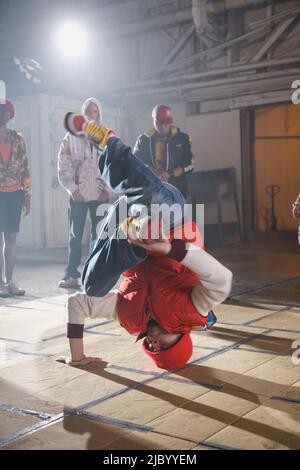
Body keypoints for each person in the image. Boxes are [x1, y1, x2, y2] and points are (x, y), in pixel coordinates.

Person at [58, 114, 232, 369]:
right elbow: (222, 279)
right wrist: (170, 248)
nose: (154, 343)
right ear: (181, 338)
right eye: (164, 346)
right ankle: (108, 143)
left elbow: (76, 303)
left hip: (125, 234)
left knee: (91, 285)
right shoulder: (195, 310)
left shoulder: (130, 319)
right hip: (171, 225)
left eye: (152, 348)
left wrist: (77, 357)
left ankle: (135, 228)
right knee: (154, 208)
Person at [57, 98, 110, 289]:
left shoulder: (105, 136)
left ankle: (96, 274)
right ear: (82, 113)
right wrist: (72, 189)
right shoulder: (70, 137)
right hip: (78, 194)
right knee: (75, 236)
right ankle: (71, 275)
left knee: (101, 235)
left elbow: (113, 164)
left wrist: (107, 189)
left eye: (94, 112)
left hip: (100, 194)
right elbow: (63, 163)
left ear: (98, 114)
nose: (90, 114)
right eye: (87, 111)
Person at [0, 99, 31, 297]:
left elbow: (25, 168)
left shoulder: (17, 138)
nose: (2, 113)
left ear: (10, 115)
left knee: (11, 237)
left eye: (5, 111)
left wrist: (27, 196)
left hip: (14, 193)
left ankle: (9, 281)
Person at [133, 104, 194, 197]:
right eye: (159, 122)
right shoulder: (144, 140)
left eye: (165, 123)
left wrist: (174, 173)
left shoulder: (182, 138)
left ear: (170, 122)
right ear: (153, 121)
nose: (162, 126)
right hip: (152, 191)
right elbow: (135, 163)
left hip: (177, 190)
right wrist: (153, 171)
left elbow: (190, 164)